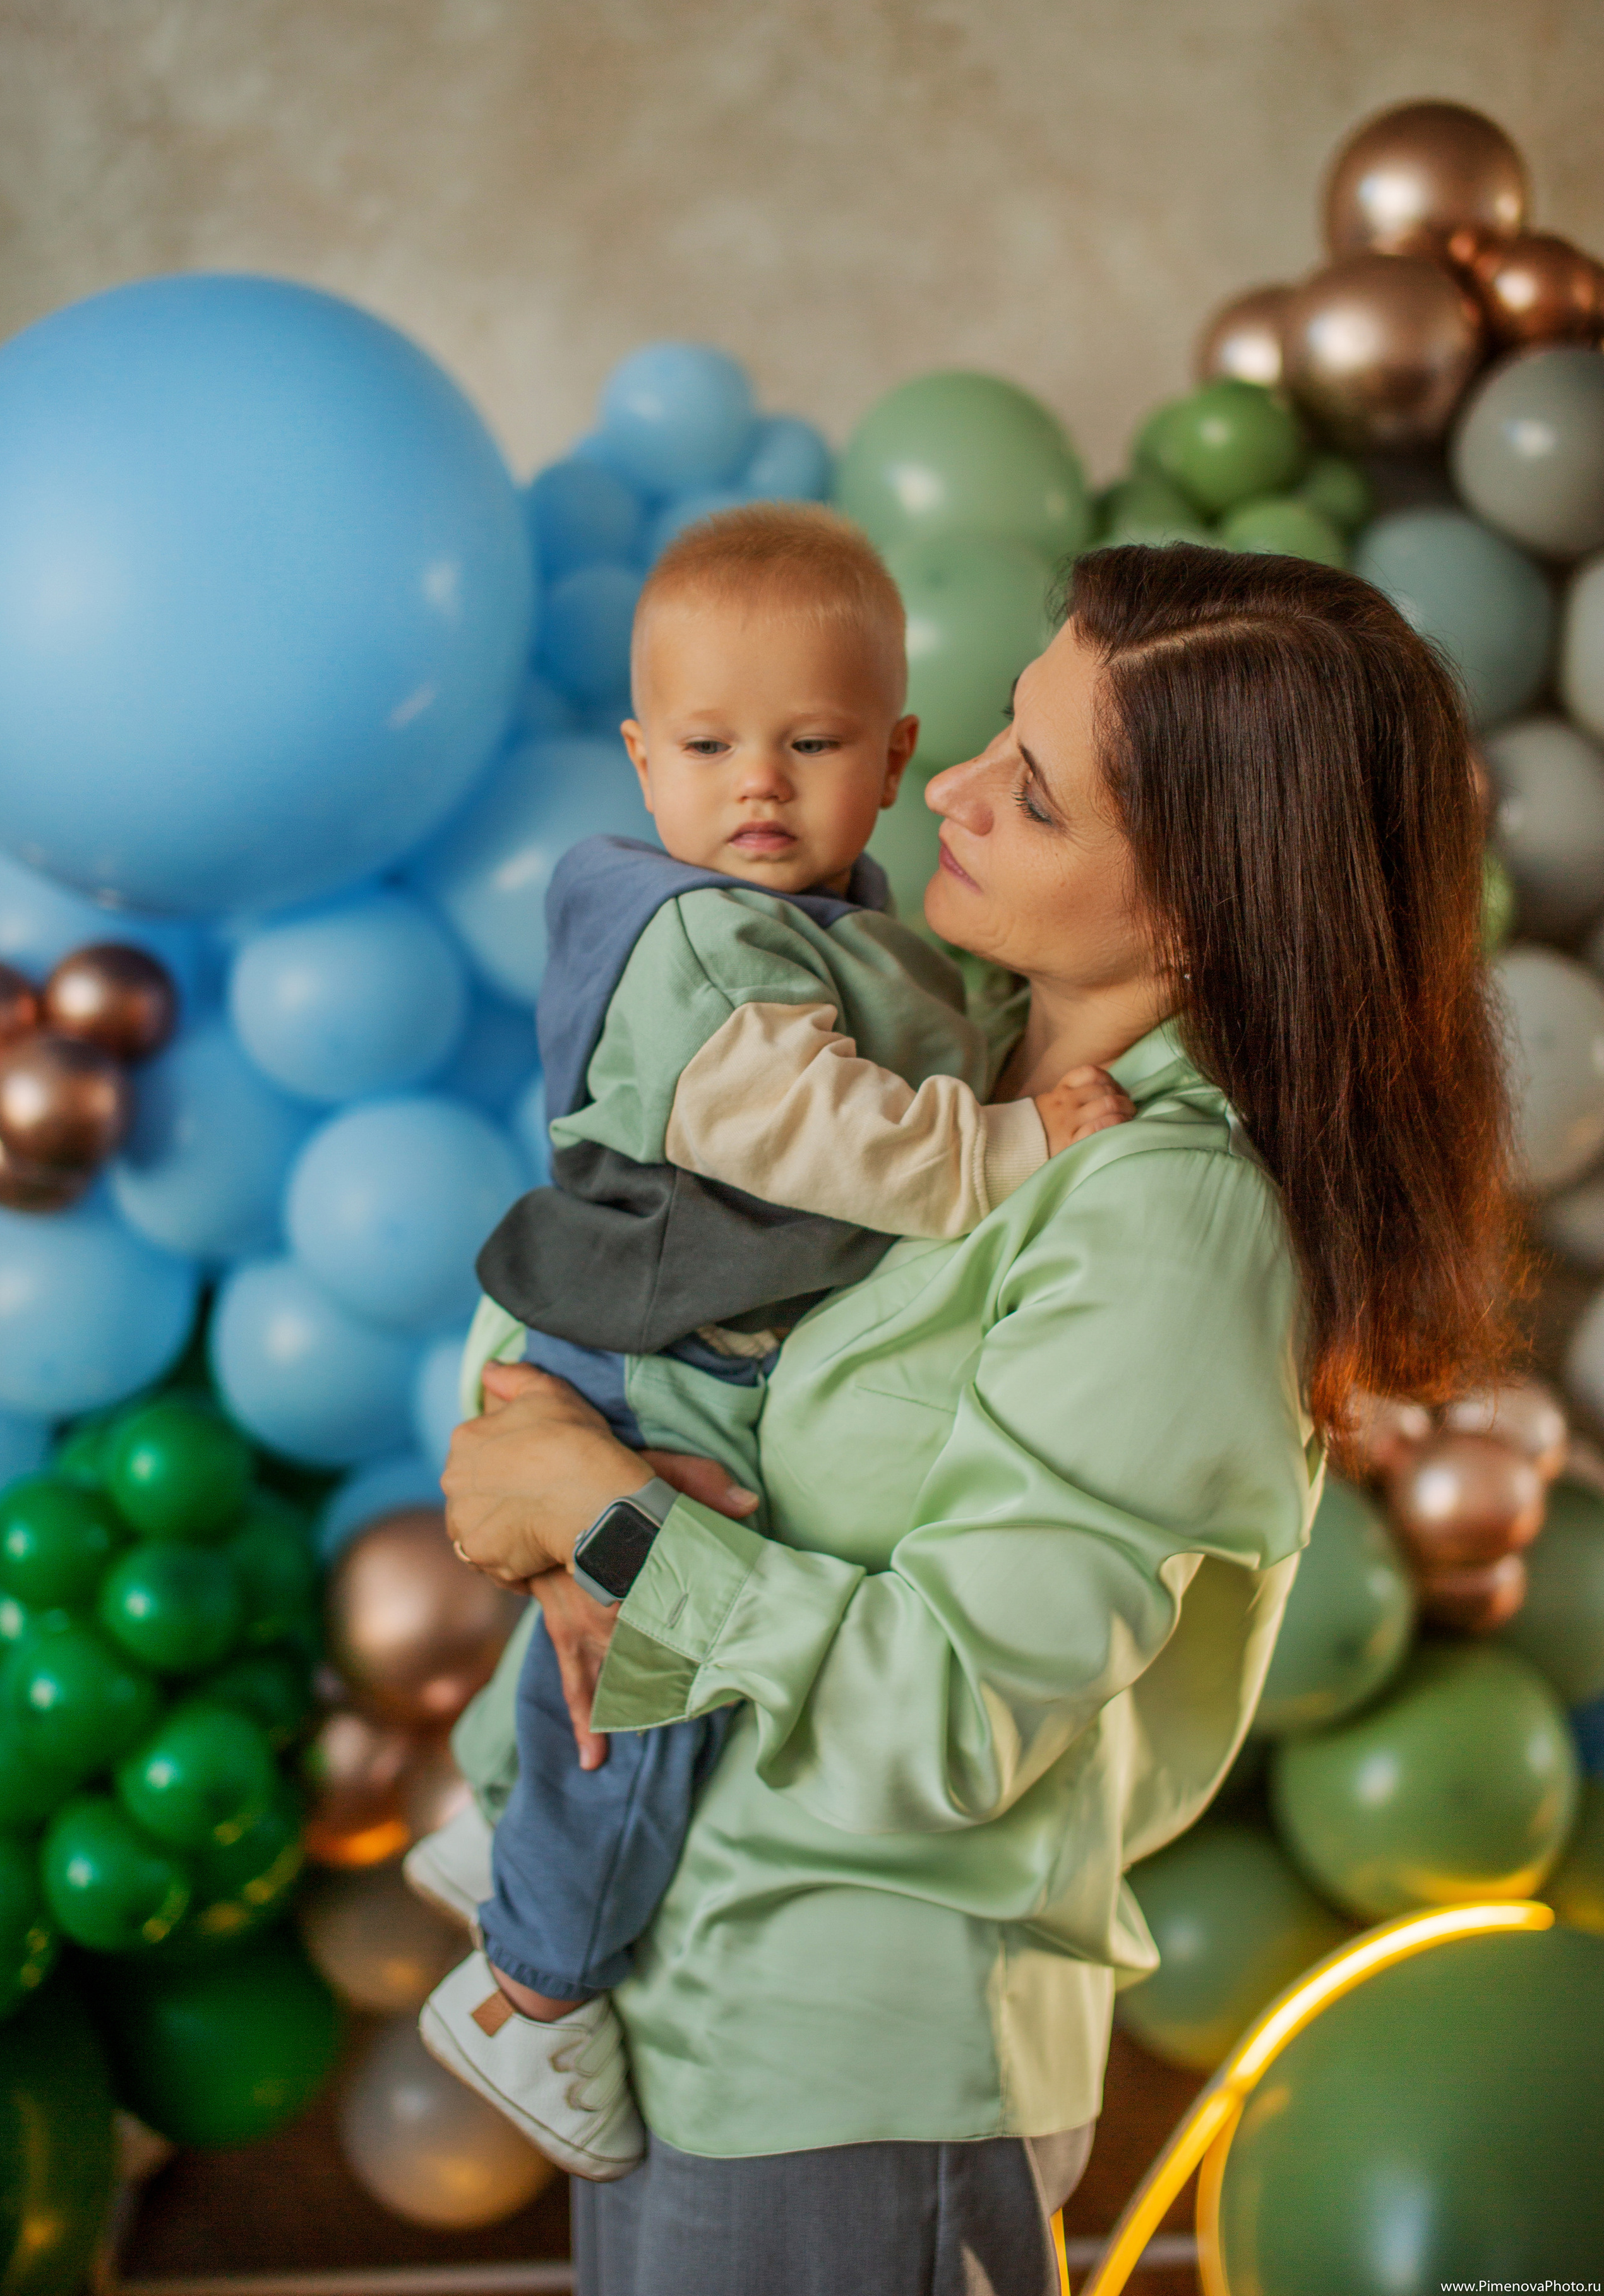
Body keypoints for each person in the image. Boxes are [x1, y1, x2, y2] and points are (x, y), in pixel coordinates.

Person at [439, 543, 1516, 2296]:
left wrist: (610, 1524)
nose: (942, 788)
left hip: (859, 2061)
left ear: (1204, 902)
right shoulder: (926, 1052)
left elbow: (953, 1720)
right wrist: (543, 1472)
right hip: (673, 1990)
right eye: (1001, 740)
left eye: (1031, 790)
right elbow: (605, 1262)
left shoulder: (1172, 1220)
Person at [412, 504, 1133, 2177]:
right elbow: (831, 1141)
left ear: (890, 758)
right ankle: (534, 1987)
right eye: (710, 745)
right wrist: (1021, 1146)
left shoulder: (841, 920)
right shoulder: (699, 948)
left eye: (808, 744)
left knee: (623, 1627)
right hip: (656, 1353)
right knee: (644, 1678)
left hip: (672, 1333)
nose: (758, 784)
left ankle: (499, 1827)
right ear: (639, 760)